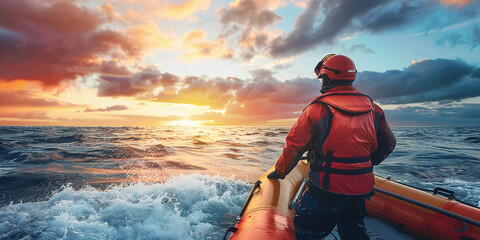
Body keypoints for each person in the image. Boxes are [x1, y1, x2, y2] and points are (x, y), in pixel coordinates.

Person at [267, 54, 396, 240]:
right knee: (353, 228)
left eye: (322, 79)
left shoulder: (317, 108)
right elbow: (389, 143)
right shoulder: (373, 108)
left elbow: (294, 147)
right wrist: (366, 164)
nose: (321, 84)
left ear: (327, 78)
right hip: (362, 186)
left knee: (306, 228)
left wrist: (280, 172)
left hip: (326, 189)